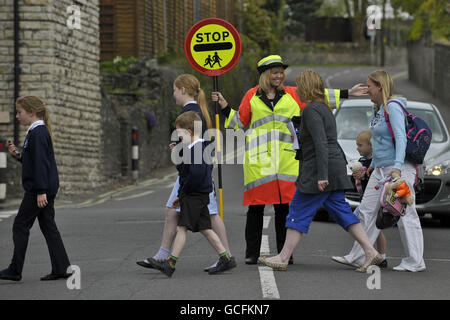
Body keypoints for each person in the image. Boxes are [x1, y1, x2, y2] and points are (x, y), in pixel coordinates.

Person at [211, 55, 368, 265]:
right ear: (265, 75)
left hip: (287, 161)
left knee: (284, 207)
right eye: (275, 72)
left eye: (281, 72)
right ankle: (252, 253)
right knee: (256, 208)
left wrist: (348, 93)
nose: (279, 76)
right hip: (260, 161)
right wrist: (223, 106)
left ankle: (285, 254)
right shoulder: (251, 95)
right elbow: (239, 122)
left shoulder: (294, 93)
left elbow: (320, 95)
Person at [257, 70, 383, 272]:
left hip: (318, 169)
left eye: (299, 85)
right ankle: (371, 252)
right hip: (331, 166)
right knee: (343, 213)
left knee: (297, 210)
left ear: (306, 87)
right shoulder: (323, 108)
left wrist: (322, 176)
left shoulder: (311, 110)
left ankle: (283, 257)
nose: (297, 89)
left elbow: (321, 144)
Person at [137, 74, 235, 271]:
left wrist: (180, 156)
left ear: (182, 89)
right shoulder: (196, 110)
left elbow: (195, 144)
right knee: (204, 217)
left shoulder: (190, 113)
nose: (173, 94)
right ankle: (225, 256)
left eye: (174, 90)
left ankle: (167, 257)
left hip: (194, 172)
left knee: (197, 215)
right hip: (197, 170)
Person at [331, 70, 426, 272]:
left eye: (369, 85)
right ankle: (358, 255)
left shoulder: (393, 107)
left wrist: (397, 169)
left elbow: (401, 138)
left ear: (379, 86)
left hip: (398, 171)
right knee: (366, 211)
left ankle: (416, 261)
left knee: (405, 213)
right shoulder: (380, 109)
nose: (367, 89)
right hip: (380, 169)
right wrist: (371, 166)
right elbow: (380, 142)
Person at [150, 111, 236, 277]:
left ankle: (170, 263)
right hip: (200, 196)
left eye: (180, 133)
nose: (179, 137)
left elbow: (192, 176)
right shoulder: (198, 148)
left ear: (189, 132)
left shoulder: (195, 150)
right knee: (205, 228)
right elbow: (188, 171)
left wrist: (183, 195)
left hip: (194, 196)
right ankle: (226, 257)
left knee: (181, 228)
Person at [0, 96, 72, 282]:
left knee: (20, 225)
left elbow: (41, 165)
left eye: (19, 112)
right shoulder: (36, 131)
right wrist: (17, 154)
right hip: (46, 186)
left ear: (31, 112)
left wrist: (40, 191)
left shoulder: (38, 133)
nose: (17, 116)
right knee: (48, 226)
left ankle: (15, 269)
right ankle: (62, 267)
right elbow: (33, 160)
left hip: (39, 188)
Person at [332, 130, 388, 268]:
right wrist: (357, 175)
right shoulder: (361, 161)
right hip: (364, 197)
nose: (357, 148)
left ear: (371, 145)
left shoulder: (374, 162)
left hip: (374, 198)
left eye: (360, 145)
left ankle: (376, 255)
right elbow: (358, 178)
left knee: (361, 224)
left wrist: (364, 175)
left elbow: (375, 179)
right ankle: (379, 256)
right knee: (375, 228)